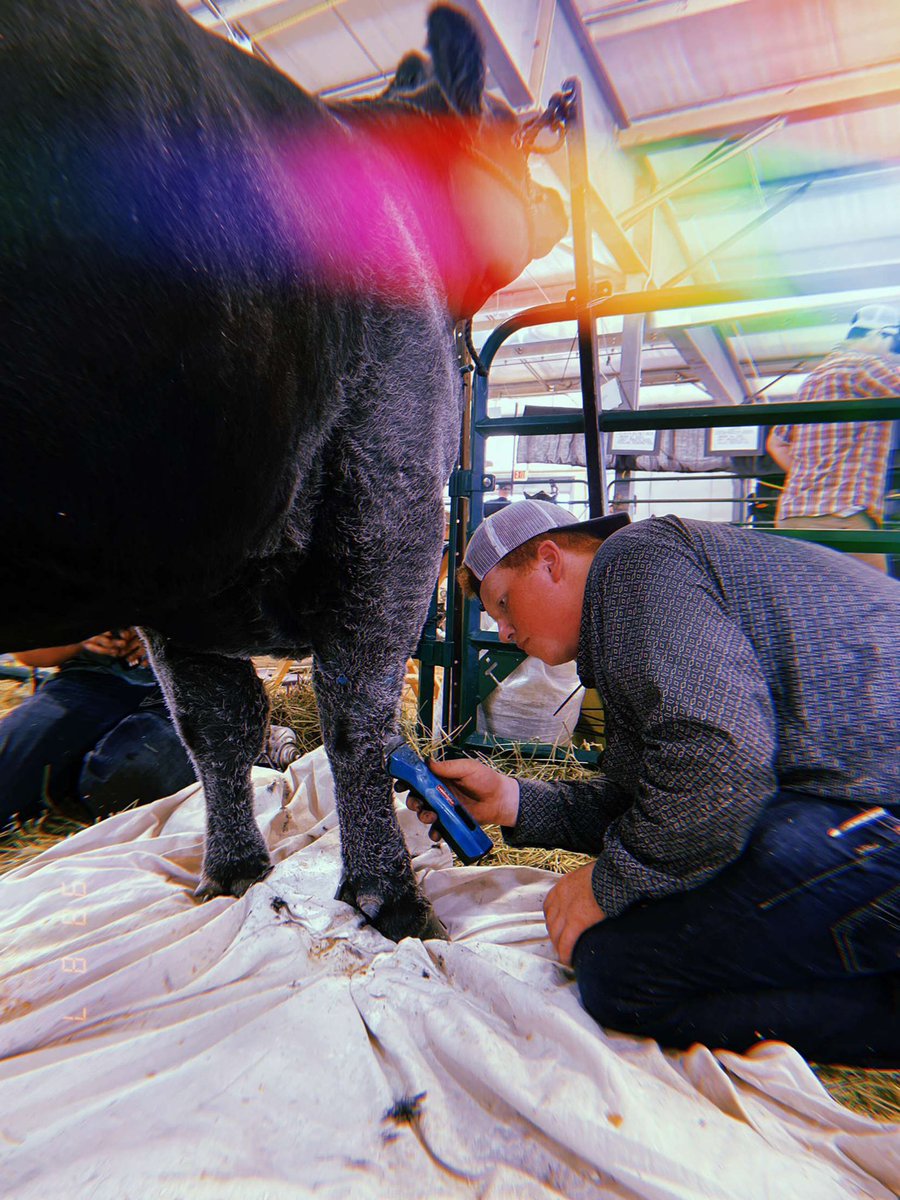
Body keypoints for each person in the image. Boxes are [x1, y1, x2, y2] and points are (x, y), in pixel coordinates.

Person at [403, 499, 900, 1066]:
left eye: (506, 605)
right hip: (842, 808)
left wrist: (608, 884)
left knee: (623, 974)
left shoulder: (635, 564)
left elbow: (721, 763)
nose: (507, 631)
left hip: (874, 814)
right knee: (623, 951)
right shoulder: (627, 619)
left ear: (550, 560)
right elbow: (648, 797)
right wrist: (511, 800)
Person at [0, 629, 195, 828]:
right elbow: (28, 651)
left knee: (131, 778)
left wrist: (163, 639)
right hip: (94, 678)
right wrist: (81, 635)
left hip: (194, 685)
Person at [766, 304, 900, 573]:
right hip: (843, 515)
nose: (895, 356)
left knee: (815, 605)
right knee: (879, 607)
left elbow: (777, 442)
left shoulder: (812, 380)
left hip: (794, 515)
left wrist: (818, 474)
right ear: (881, 336)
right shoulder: (867, 366)